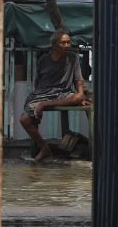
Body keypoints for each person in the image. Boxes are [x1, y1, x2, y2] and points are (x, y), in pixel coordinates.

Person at [19, 29, 90, 162]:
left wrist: (80, 94)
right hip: (42, 94)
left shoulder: (73, 58)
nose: (67, 45)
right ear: (54, 45)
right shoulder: (44, 60)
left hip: (62, 93)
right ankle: (44, 148)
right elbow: (37, 82)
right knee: (25, 120)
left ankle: (44, 104)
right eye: (63, 43)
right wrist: (40, 98)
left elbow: (78, 80)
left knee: (79, 97)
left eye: (68, 42)